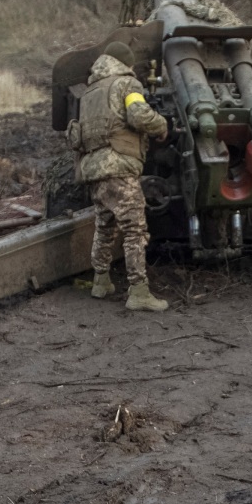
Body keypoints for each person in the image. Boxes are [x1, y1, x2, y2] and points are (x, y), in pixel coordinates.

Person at [69, 42, 170, 312]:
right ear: (126, 64)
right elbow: (138, 116)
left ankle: (101, 282)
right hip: (119, 166)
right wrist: (162, 124)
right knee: (135, 230)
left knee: (104, 226)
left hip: (94, 169)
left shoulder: (90, 91)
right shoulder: (127, 85)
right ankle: (138, 292)